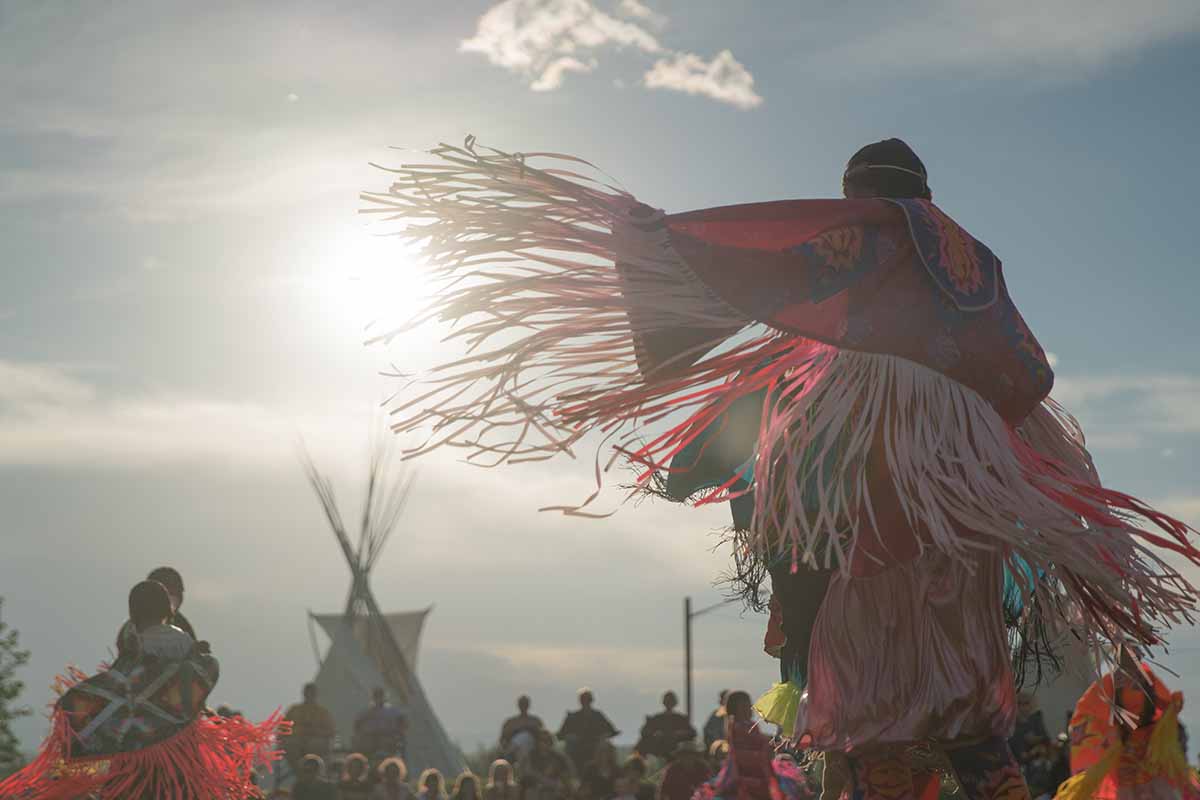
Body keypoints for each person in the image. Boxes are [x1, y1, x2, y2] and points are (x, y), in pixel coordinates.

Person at [368, 136, 1200, 800]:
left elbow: (762, 326)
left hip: (877, 549)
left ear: (858, 194)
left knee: (875, 727)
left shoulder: (861, 277)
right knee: (976, 734)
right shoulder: (976, 268)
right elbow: (1027, 375)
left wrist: (656, 251)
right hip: (962, 555)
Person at [0, 579, 283, 800]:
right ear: (168, 611)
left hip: (132, 767)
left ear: (133, 614)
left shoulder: (130, 644)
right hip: (180, 761)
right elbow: (197, 679)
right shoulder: (183, 643)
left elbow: (121, 686)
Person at [1055, 648, 1199, 800]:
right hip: (1125, 746)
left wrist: (1172, 706)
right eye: (1128, 657)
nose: (1132, 661)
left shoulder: (1146, 678)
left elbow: (1161, 703)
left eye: (1135, 657)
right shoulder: (1110, 682)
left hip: (1147, 745)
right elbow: (1091, 710)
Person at [691, 691, 807, 800]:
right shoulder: (740, 726)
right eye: (745, 706)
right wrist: (772, 744)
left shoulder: (739, 725)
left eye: (749, 705)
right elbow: (756, 743)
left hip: (751, 770)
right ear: (736, 710)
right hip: (747, 773)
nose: (749, 709)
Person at [557, 689, 620, 772]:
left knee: (608, 747)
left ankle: (612, 772)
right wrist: (570, 737)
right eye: (584, 700)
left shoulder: (598, 715)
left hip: (596, 748)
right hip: (576, 749)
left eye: (588, 700)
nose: (586, 702)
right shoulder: (572, 717)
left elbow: (612, 731)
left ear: (591, 701)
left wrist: (604, 736)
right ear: (580, 702)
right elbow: (560, 735)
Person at [286, 682, 337, 770]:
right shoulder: (294, 710)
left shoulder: (323, 712)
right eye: (308, 693)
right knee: (291, 746)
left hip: (316, 742)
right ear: (304, 694)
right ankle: (300, 772)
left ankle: (314, 771)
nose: (309, 695)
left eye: (312, 693)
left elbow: (331, 731)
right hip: (296, 742)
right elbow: (283, 728)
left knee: (315, 745)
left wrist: (315, 732)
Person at [637, 691, 698, 759]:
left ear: (674, 703)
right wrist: (654, 734)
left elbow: (693, 732)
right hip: (658, 751)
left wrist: (681, 734)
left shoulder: (680, 719)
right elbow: (644, 732)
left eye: (670, 701)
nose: (669, 703)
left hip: (677, 751)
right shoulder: (656, 718)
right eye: (667, 701)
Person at [519, 729, 575, 800]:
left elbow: (567, 776)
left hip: (554, 789)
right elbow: (525, 774)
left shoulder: (559, 758)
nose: (544, 743)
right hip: (534, 788)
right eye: (541, 740)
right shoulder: (530, 756)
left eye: (547, 740)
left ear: (551, 742)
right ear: (537, 742)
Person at [356, 686, 408, 760]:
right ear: (373, 697)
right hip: (370, 750)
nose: (378, 698)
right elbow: (357, 727)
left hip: (389, 749)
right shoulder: (365, 713)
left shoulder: (394, 712)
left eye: (379, 695)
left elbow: (403, 725)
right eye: (376, 696)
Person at [501, 694, 546, 763]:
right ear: (518, 705)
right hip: (512, 752)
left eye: (525, 704)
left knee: (526, 736)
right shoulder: (510, 722)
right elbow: (503, 739)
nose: (523, 706)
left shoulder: (535, 721)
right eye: (522, 704)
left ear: (528, 705)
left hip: (533, 751)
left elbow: (543, 737)